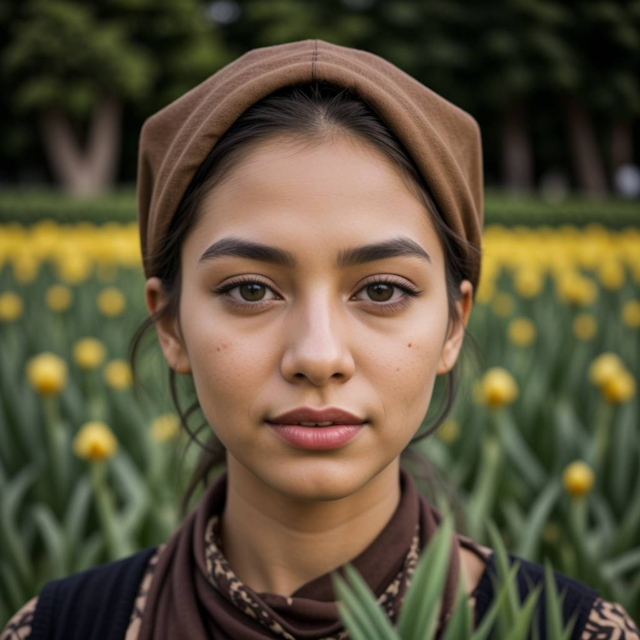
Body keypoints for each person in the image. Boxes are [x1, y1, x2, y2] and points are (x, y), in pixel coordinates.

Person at [2, 39, 638, 640]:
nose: (319, 356)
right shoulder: (60, 628)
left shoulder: (568, 629)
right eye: (251, 290)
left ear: (453, 323)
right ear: (169, 323)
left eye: (383, 290)